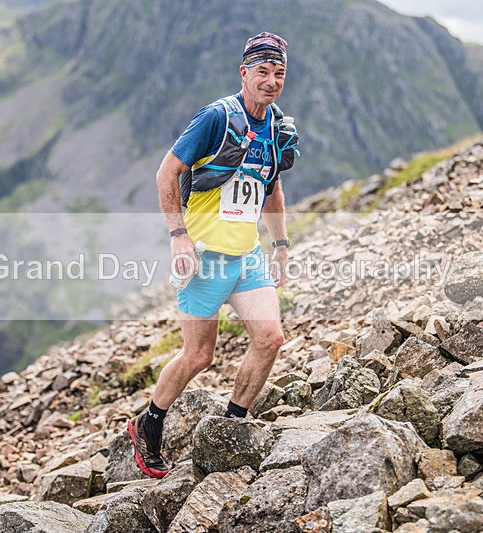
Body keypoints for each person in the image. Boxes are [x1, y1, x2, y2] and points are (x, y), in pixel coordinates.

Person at [127, 32, 299, 479]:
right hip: (203, 259)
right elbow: (167, 172)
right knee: (199, 355)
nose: (271, 81)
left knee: (270, 339)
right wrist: (177, 236)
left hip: (247, 259)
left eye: (279, 73)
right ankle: (149, 422)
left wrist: (280, 246)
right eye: (262, 71)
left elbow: (272, 189)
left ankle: (230, 427)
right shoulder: (216, 118)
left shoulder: (278, 128)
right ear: (244, 73)